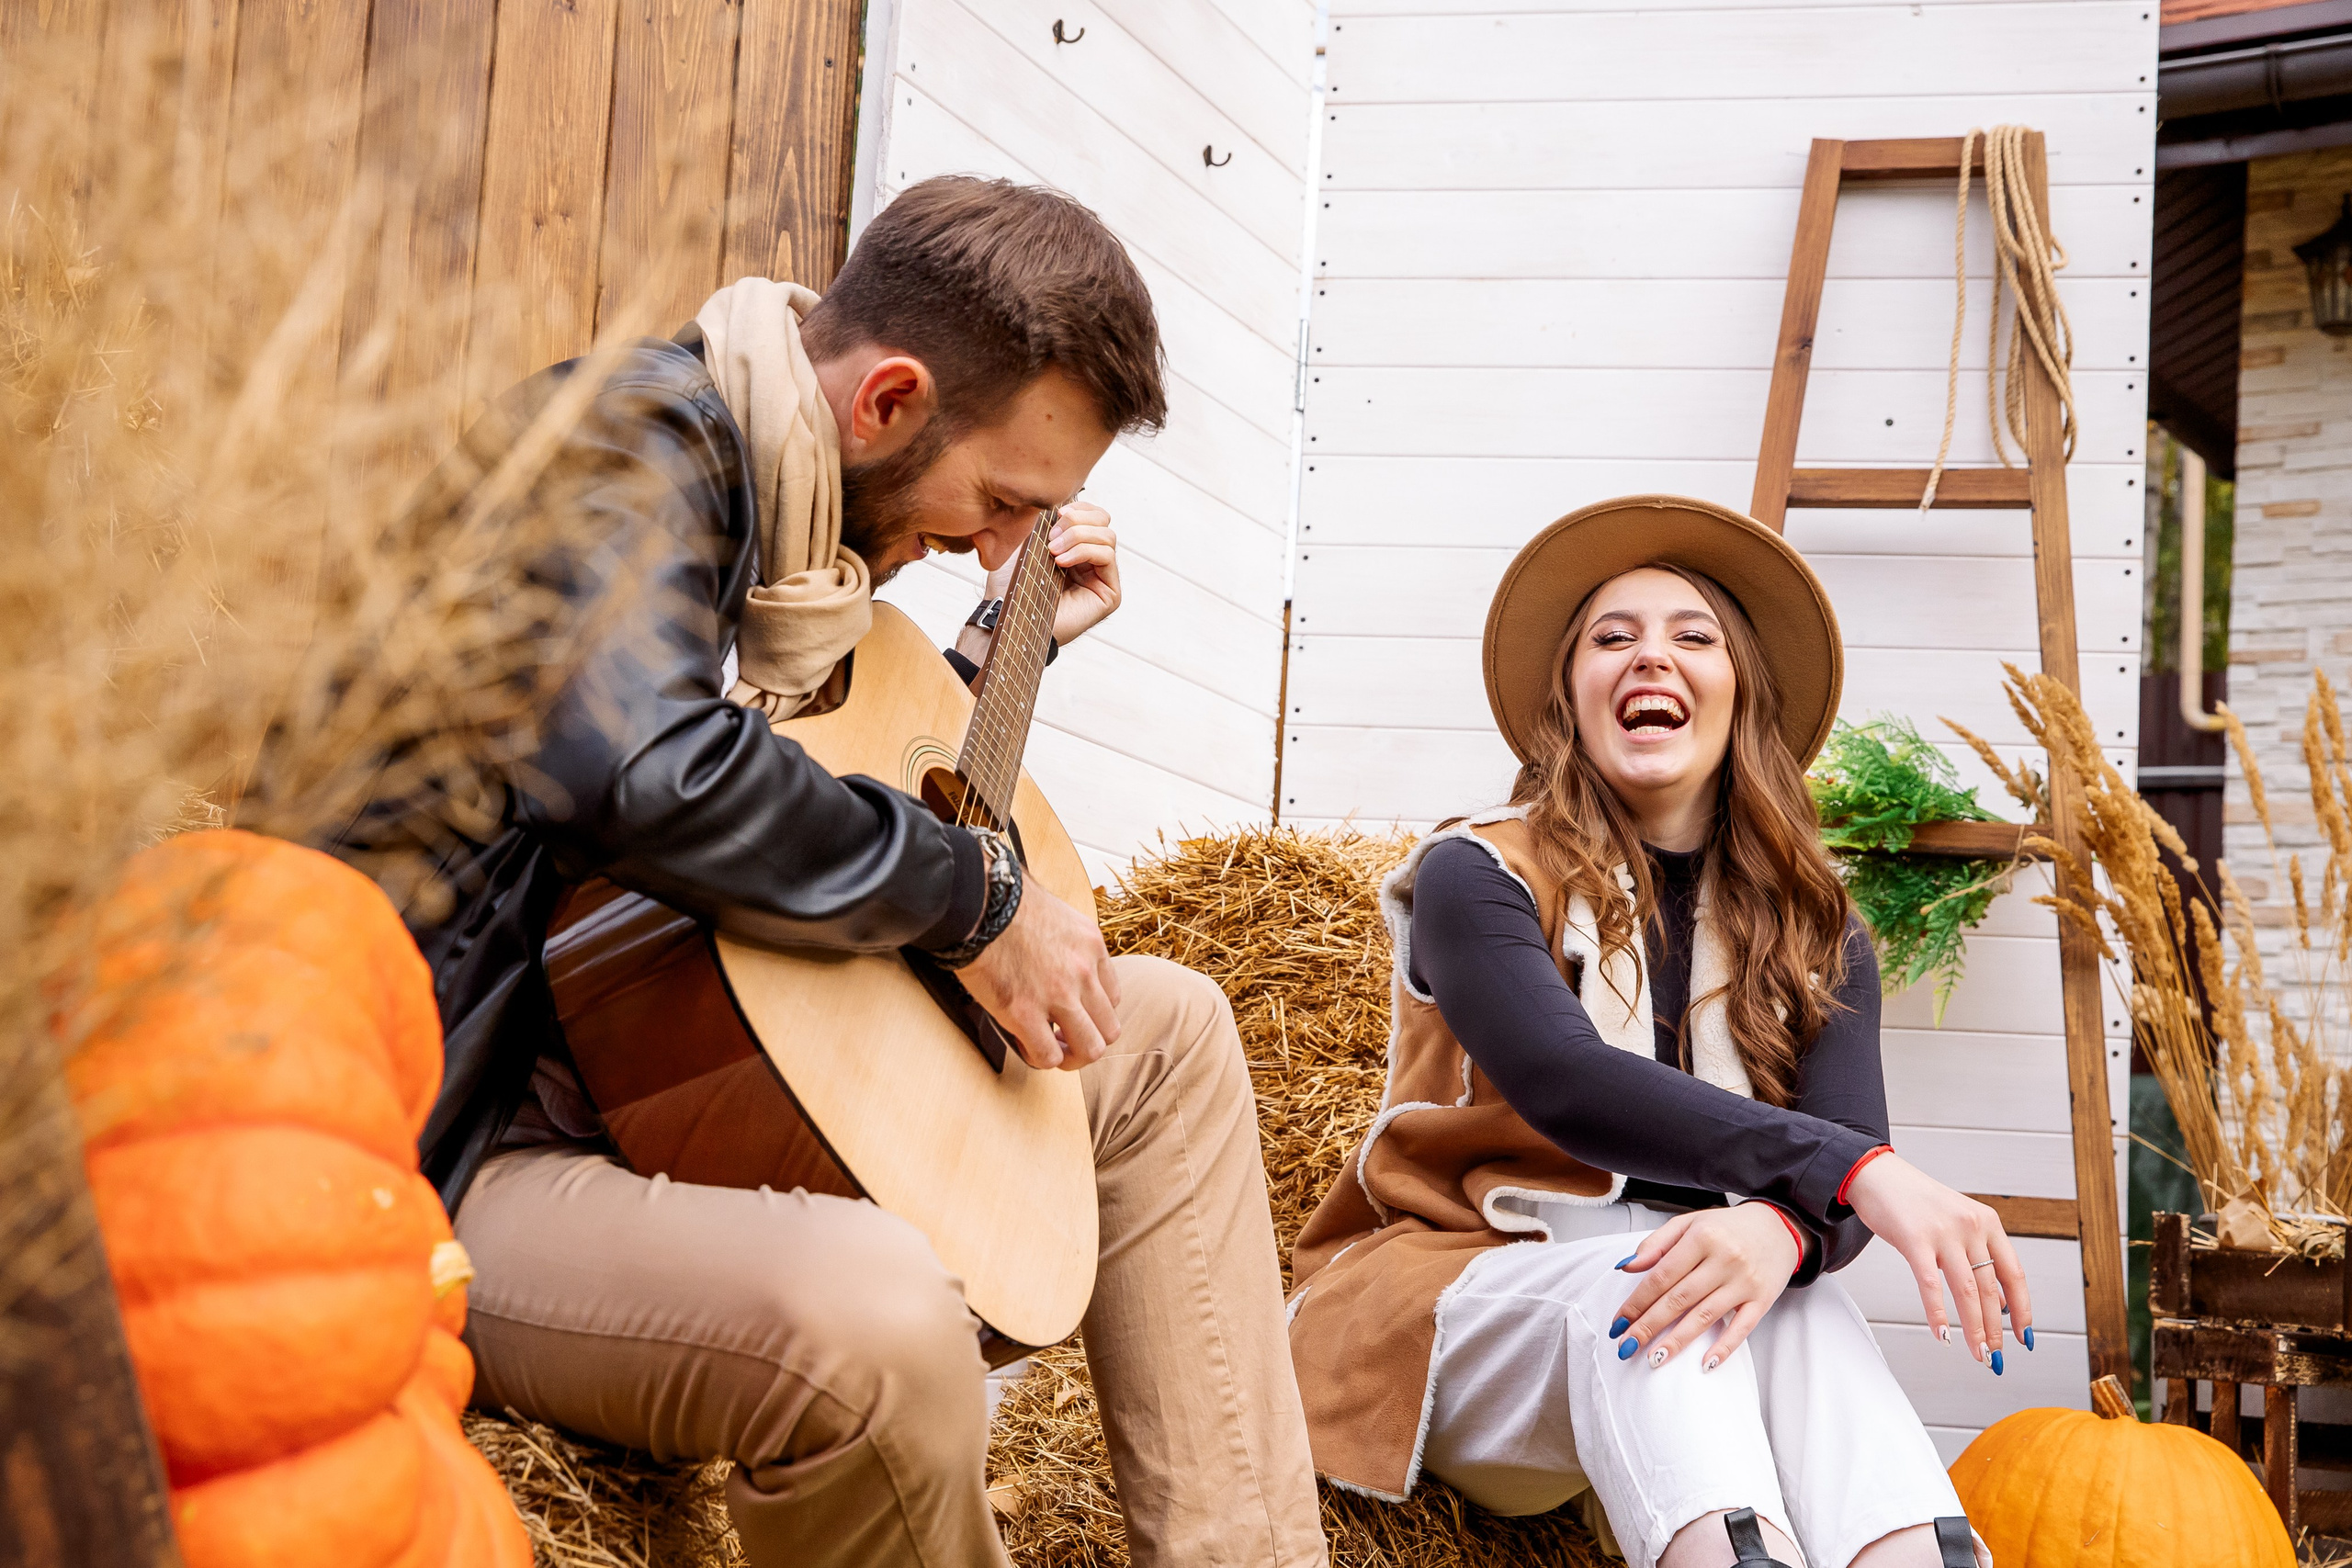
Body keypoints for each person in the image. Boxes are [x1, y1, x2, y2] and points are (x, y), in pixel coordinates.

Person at [334, 176, 1328, 1568]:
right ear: (888, 401)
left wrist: (1001, 654)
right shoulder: (627, 445)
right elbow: (649, 769)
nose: (998, 543)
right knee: (887, 1318)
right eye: (1001, 499)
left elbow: (806, 773)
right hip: (462, 1148)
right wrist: (978, 903)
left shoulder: (792, 537)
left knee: (1167, 1028)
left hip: (647, 1077)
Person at [1283, 496, 2024, 1568]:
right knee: (1658, 1291)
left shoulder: (1816, 928)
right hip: (1464, 1296)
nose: (1650, 657)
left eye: (1692, 636)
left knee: (1796, 1311)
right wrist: (1849, 1176)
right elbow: (1567, 1082)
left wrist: (1783, 1231)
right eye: (1611, 637)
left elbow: (1840, 1167)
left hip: (1676, 1314)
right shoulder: (1475, 874)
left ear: (1741, 693)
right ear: (1569, 699)